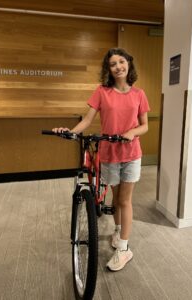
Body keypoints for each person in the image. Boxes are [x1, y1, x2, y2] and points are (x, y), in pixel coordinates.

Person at [53, 47, 150, 271]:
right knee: (116, 198)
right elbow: (87, 120)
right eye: (113, 64)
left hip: (131, 153)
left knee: (125, 200)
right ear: (108, 69)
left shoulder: (139, 94)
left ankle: (124, 249)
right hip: (109, 153)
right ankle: (118, 230)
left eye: (121, 62)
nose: (118, 67)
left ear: (128, 64)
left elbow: (144, 125)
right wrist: (71, 132)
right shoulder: (102, 91)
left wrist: (132, 132)